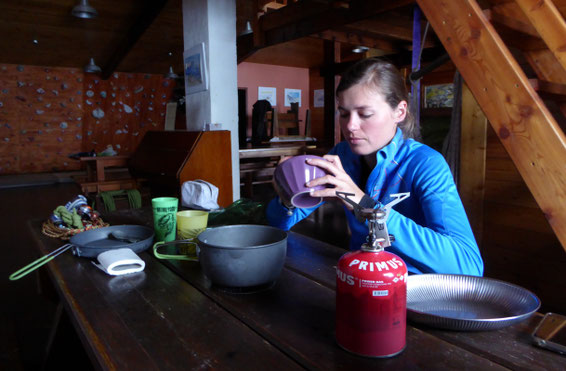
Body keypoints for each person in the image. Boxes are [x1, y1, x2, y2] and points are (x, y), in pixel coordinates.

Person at [266, 58, 483, 276]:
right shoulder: (340, 157)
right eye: (343, 113)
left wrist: (366, 206)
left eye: (365, 114)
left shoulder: (426, 164)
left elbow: (468, 265)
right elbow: (277, 226)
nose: (350, 126)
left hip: (418, 290)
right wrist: (287, 200)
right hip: (360, 278)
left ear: (399, 112)